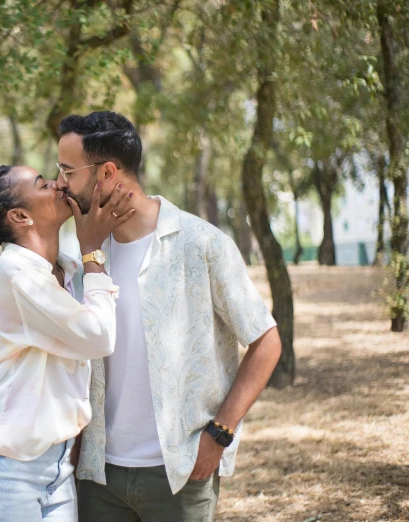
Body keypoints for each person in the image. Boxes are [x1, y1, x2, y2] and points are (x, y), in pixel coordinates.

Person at [55, 111, 282, 521]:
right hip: (96, 476)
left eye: (67, 171)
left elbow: (266, 340)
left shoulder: (202, 244)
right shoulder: (87, 256)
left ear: (106, 172)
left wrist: (221, 434)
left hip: (179, 474)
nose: (59, 183)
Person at [0, 164, 136, 521]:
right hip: (2, 475)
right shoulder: (17, 276)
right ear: (20, 216)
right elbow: (97, 337)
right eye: (42, 184)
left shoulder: (63, 271)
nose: (58, 183)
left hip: (55, 470)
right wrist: (92, 250)